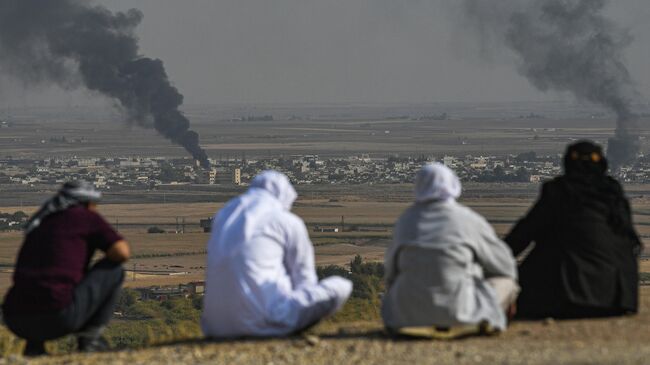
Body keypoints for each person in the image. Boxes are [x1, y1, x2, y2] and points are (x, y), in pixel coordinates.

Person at [201, 170, 352, 338]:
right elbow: (305, 280)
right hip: (264, 321)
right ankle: (291, 330)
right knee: (342, 286)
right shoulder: (287, 222)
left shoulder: (224, 215)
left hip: (215, 328)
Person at [506, 141, 642, 319]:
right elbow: (632, 241)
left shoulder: (558, 191)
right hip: (616, 299)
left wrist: (492, 261)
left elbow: (524, 234)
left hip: (565, 297)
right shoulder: (613, 193)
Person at [382, 163, 519, 338]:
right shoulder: (467, 219)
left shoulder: (406, 220)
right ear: (453, 185)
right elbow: (505, 266)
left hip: (408, 317)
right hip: (461, 312)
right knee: (506, 282)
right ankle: (488, 319)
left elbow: (391, 273)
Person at [2, 181, 130, 356]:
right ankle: (89, 340)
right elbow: (122, 253)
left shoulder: (41, 222)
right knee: (114, 270)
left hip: (15, 318)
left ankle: (34, 347)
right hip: (59, 316)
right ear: (87, 202)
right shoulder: (85, 217)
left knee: (43, 281)